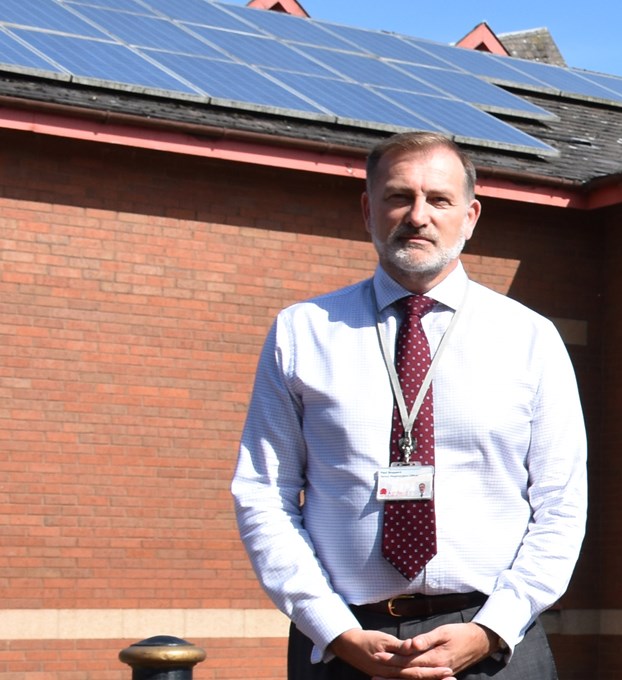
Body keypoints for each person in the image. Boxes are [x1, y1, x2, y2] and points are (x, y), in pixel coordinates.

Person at [232, 131, 588, 679]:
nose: (418, 215)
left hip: (494, 646)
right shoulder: (303, 333)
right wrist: (331, 628)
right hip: (342, 646)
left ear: (470, 216)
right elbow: (264, 493)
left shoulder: (530, 339)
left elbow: (561, 505)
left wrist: (491, 628)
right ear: (367, 211)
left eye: (439, 200)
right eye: (399, 196)